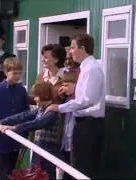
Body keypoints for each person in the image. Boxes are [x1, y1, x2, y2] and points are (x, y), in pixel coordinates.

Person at [46, 34, 106, 179]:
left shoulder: (91, 68)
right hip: (84, 125)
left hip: (88, 126)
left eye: (72, 48)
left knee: (82, 170)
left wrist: (60, 107)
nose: (70, 52)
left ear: (82, 48)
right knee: (79, 167)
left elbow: (87, 100)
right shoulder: (86, 68)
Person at [0, 82, 62, 180]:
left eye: (36, 96)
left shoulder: (52, 112)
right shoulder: (41, 109)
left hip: (49, 150)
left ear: (44, 95)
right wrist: (2, 121)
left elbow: (38, 123)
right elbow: (24, 116)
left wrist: (15, 128)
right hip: (39, 149)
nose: (34, 98)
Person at [59, 70, 79, 180]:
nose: (64, 88)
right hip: (65, 144)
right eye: (63, 85)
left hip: (74, 144)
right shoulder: (66, 99)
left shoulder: (78, 101)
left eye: (67, 85)